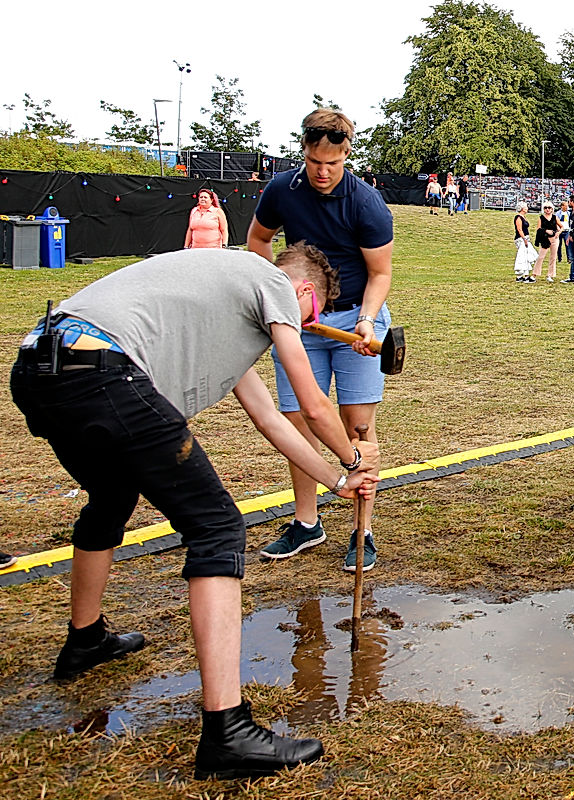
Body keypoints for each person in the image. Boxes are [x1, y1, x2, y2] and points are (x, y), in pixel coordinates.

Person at [9, 245, 380, 780]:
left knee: (111, 497)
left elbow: (271, 420)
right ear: (304, 292)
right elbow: (313, 404)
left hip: (42, 366)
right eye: (312, 314)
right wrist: (354, 458)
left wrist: (338, 482)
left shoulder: (226, 301)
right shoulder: (273, 282)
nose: (307, 325)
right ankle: (228, 731)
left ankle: (85, 641)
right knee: (217, 527)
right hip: (103, 369)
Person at [247, 108, 395, 572]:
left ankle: (362, 530)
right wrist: (281, 294)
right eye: (314, 162)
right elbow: (258, 240)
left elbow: (380, 273)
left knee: (357, 427)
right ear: (304, 152)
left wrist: (366, 321)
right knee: (300, 424)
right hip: (300, 323)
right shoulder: (282, 189)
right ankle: (307, 523)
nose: (323, 172)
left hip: (354, 320)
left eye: (332, 163)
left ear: (347, 154)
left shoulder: (366, 203)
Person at [531, 202, 562, 282]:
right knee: (540, 257)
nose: (547, 209)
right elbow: (538, 229)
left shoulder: (555, 217)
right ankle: (534, 274)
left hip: (554, 239)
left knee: (553, 257)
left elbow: (561, 227)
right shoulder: (541, 218)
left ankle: (550, 275)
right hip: (545, 239)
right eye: (545, 208)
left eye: (549, 208)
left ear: (552, 209)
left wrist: (558, 233)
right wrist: (546, 231)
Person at [555, 201, 570, 269]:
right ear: (562, 206)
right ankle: (559, 258)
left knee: (567, 245)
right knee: (559, 245)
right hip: (560, 231)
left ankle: (569, 258)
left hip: (567, 231)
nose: (567, 207)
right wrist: (558, 229)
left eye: (567, 206)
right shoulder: (558, 213)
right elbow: (556, 222)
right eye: (565, 206)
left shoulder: (568, 213)